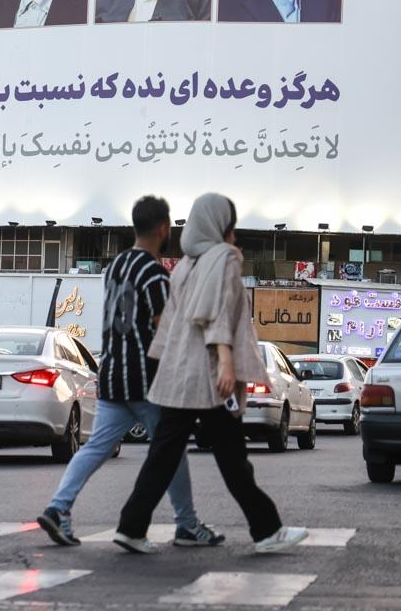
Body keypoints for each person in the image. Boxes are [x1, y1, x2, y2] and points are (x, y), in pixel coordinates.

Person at [113, 193, 308, 554]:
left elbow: (169, 325)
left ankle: (131, 526)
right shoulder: (224, 259)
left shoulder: (186, 265)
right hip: (206, 376)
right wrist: (227, 363)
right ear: (221, 225)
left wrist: (161, 364)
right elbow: (217, 313)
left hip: (178, 375)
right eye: (230, 223)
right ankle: (267, 530)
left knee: (164, 455)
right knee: (233, 459)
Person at [36, 196, 222, 548]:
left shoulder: (116, 266)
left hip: (112, 374)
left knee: (95, 449)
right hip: (145, 378)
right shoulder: (154, 275)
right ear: (164, 228)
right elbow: (162, 331)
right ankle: (186, 523)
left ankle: (59, 507)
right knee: (171, 451)